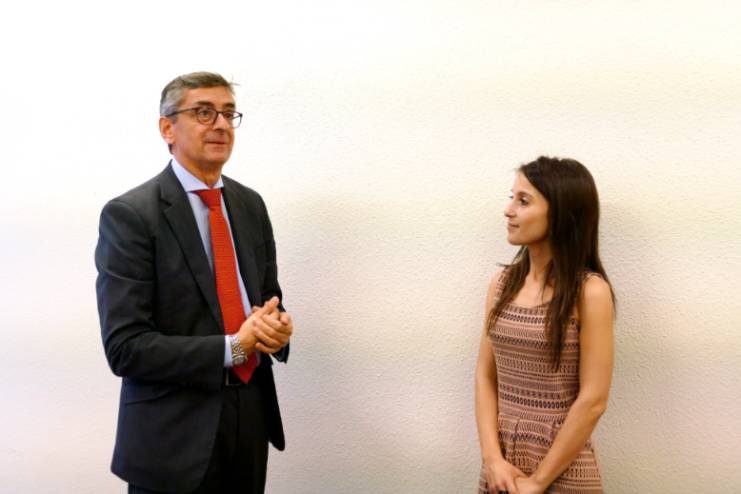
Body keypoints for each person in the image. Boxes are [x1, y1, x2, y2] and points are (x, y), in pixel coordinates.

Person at [95, 71, 293, 494]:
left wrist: (277, 330)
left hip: (249, 419)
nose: (221, 124)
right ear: (167, 128)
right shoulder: (130, 216)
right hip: (172, 435)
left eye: (228, 114)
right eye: (204, 112)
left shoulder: (250, 205)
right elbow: (125, 347)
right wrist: (234, 347)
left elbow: (268, 298)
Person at [475, 157, 615, 494]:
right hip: (502, 469)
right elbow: (485, 375)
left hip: (563, 469)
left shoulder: (590, 292)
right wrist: (492, 460)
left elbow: (593, 400)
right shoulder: (501, 284)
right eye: (511, 198)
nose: (509, 210)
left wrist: (537, 482)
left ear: (562, 213)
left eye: (524, 201)